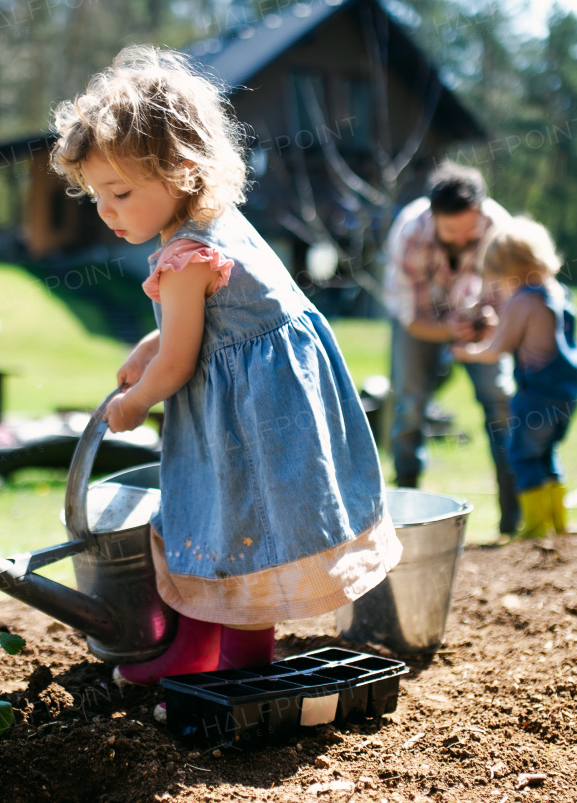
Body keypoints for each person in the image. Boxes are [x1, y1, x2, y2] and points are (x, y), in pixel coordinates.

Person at [50, 46, 402, 685]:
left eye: (121, 193)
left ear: (182, 170)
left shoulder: (185, 256)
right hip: (267, 406)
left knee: (236, 531)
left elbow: (182, 360)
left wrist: (135, 402)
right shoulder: (218, 223)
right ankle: (201, 653)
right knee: (221, 528)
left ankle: (235, 671)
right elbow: (211, 328)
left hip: (246, 423)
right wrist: (147, 348)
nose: (106, 211)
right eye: (96, 195)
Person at [383, 162, 520, 535]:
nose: (462, 239)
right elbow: (410, 317)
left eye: (469, 229)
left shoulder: (500, 228)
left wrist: (493, 325)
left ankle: (513, 518)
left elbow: (511, 303)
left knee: (501, 402)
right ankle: (405, 520)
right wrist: (446, 329)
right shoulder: (409, 233)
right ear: (433, 216)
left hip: (481, 317)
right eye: (450, 231)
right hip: (423, 319)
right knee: (410, 404)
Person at [452, 216, 577, 538]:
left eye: (499, 279)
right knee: (546, 454)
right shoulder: (556, 292)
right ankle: (559, 524)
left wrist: (463, 352)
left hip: (535, 396)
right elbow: (533, 336)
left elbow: (497, 349)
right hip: (564, 396)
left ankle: (535, 529)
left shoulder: (523, 299)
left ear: (509, 269)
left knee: (522, 455)